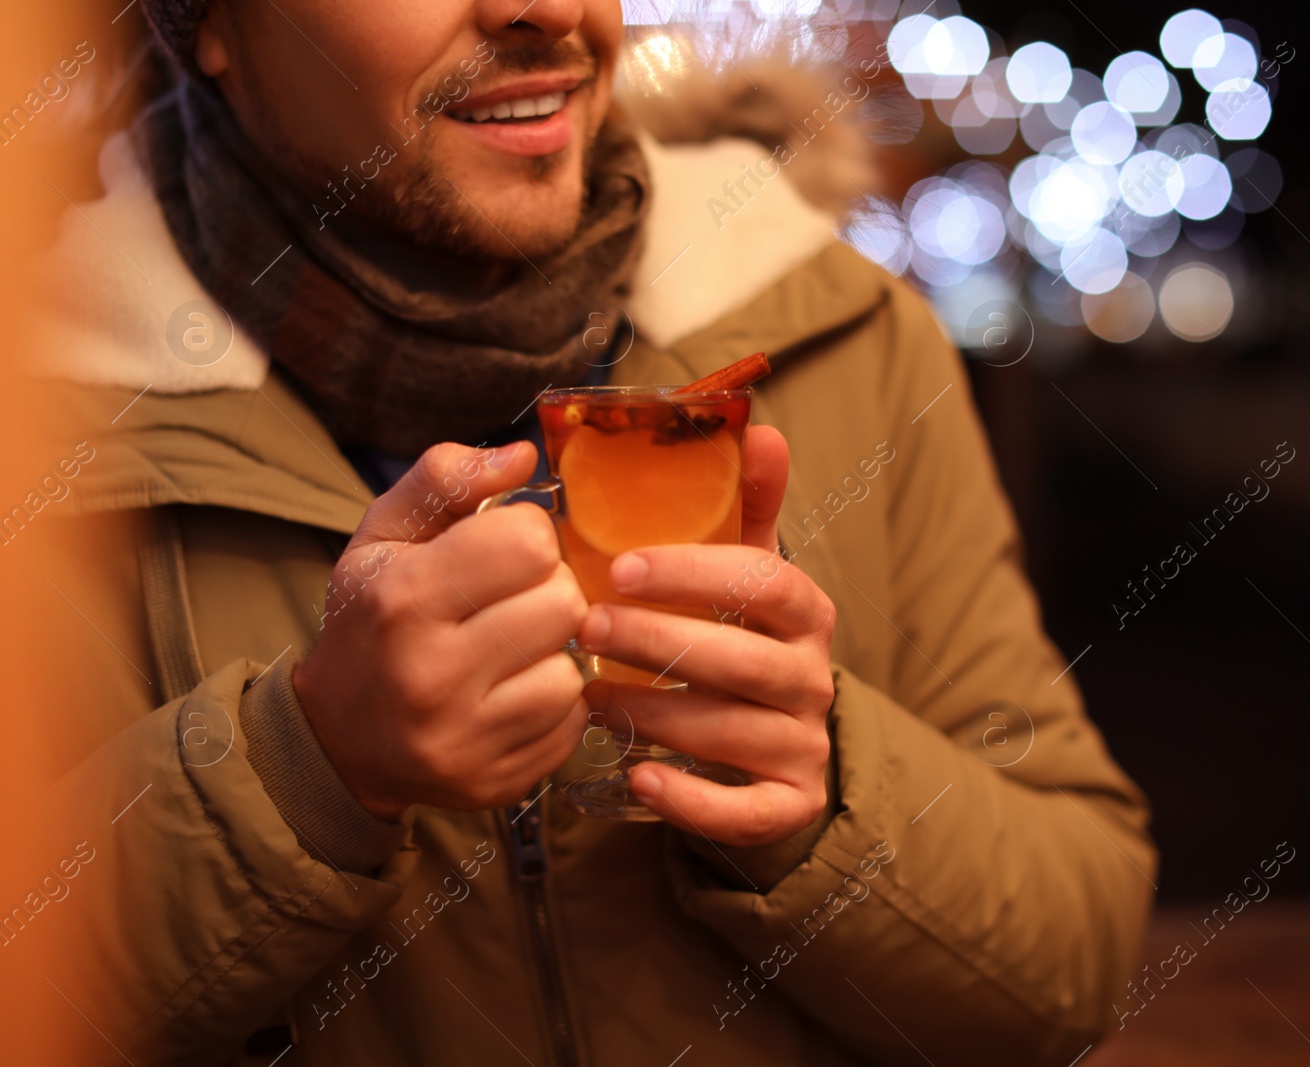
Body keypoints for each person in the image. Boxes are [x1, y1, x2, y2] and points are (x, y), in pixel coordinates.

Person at [25, 0, 1155, 1062]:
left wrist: (821, 795)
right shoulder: (39, 424)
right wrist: (301, 770)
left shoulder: (845, 331)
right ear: (205, 28)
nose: (547, 10)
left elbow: (1074, 957)